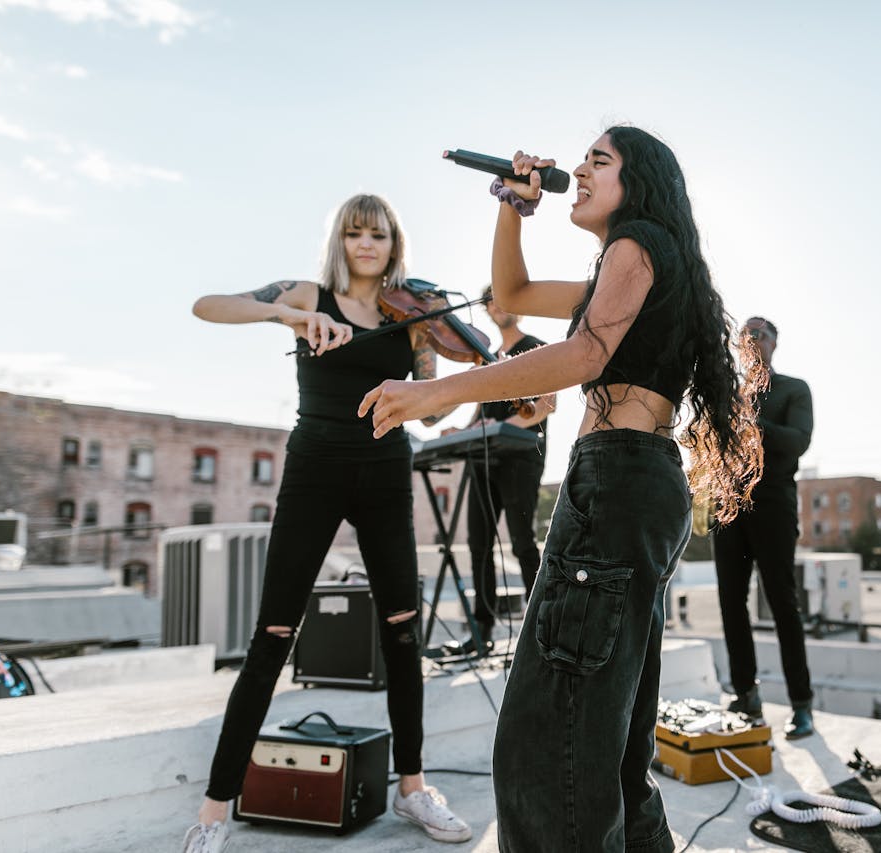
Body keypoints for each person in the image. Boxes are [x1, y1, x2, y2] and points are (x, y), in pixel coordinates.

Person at [359, 127, 764, 853]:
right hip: (635, 484)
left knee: (550, 749)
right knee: (610, 751)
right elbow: (508, 296)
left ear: (636, 182)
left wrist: (435, 393)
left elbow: (583, 354)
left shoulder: (633, 244)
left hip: (615, 483)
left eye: (597, 160)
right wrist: (512, 206)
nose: (576, 169)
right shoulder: (638, 266)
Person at [180, 194, 471, 853]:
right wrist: (287, 312)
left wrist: (443, 374)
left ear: (395, 244)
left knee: (403, 630)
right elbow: (208, 305)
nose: (367, 245)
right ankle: (213, 809)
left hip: (385, 469)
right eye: (355, 233)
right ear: (340, 240)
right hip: (314, 467)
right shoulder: (308, 294)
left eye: (379, 235)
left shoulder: (414, 316)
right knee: (273, 632)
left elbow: (424, 410)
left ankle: (413, 787)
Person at [711, 317, 816, 739]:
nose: (752, 341)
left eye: (760, 335)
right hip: (728, 507)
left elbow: (797, 441)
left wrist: (751, 422)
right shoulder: (728, 392)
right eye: (746, 335)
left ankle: (801, 705)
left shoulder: (794, 389)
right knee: (730, 605)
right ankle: (745, 696)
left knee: (783, 605)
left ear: (775, 343)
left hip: (773, 504)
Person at [449, 285, 555, 654]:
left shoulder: (536, 345)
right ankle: (482, 630)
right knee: (478, 543)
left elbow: (545, 406)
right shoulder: (486, 356)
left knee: (522, 539)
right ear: (487, 310)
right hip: (484, 457)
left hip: (521, 457)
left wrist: (502, 428)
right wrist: (459, 432)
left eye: (502, 296)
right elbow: (480, 411)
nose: (497, 304)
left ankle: (541, 625)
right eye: (490, 299)